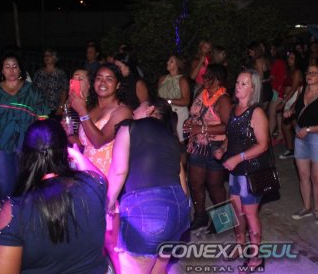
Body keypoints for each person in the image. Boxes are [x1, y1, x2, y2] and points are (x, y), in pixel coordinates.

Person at [0, 119, 108, 274]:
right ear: (64, 152)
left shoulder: (15, 210)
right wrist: (75, 154)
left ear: (24, 156)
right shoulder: (94, 185)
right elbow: (102, 178)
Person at [107, 98, 189, 274]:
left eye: (138, 107)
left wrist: (108, 204)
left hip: (147, 213)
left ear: (150, 110)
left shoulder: (129, 127)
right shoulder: (171, 138)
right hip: (178, 212)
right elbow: (184, 188)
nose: (133, 111)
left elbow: (119, 171)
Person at [69, 62, 132, 274]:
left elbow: (99, 140)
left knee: (108, 239)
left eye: (109, 79)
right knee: (85, 232)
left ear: (118, 85)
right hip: (84, 176)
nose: (102, 83)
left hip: (107, 178)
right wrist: (69, 134)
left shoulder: (122, 111)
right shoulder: (91, 108)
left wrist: (81, 112)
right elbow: (85, 142)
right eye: (99, 78)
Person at [213, 69, 269, 271]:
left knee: (250, 214)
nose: (238, 86)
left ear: (253, 88)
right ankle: (240, 244)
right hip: (235, 172)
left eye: (244, 83)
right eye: (237, 82)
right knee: (237, 212)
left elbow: (263, 145)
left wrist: (237, 158)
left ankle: (256, 257)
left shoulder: (256, 112)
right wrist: (222, 148)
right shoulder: (234, 109)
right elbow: (232, 136)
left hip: (251, 172)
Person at [0, 53, 48, 202]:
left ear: (20, 69)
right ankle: (7, 213)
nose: (11, 70)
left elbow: (43, 115)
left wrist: (42, 136)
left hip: (26, 143)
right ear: (2, 70)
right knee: (4, 185)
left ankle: (22, 214)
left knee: (23, 185)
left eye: (15, 66)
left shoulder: (32, 90)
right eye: (7, 67)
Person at [285, 63, 318, 226]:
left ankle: (317, 209)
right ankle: (306, 207)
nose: (309, 75)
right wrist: (291, 111)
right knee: (303, 175)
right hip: (301, 135)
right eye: (308, 72)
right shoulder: (302, 90)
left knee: (317, 177)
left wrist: (308, 129)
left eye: (314, 73)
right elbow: (297, 107)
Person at [184, 63, 231, 231]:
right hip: (197, 144)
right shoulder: (201, 93)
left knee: (214, 185)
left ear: (218, 80)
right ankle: (200, 216)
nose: (204, 79)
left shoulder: (223, 99)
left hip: (215, 146)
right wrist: (190, 123)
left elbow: (228, 126)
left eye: (208, 77)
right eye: (204, 76)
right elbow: (194, 113)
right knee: (195, 183)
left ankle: (223, 221)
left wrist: (202, 129)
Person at [157, 54, 191, 144]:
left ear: (177, 65)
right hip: (165, 112)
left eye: (171, 61)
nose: (167, 62)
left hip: (179, 112)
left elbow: (186, 101)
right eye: (168, 60)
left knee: (179, 141)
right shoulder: (162, 79)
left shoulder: (182, 80)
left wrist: (169, 101)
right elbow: (159, 97)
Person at [279, 51, 304, 160]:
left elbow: (294, 88)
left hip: (294, 98)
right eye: (289, 57)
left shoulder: (297, 72)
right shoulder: (289, 71)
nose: (289, 60)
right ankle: (292, 149)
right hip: (289, 97)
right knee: (287, 125)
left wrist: (283, 102)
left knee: (293, 124)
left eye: (292, 58)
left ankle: (300, 149)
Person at [32, 49, 68, 120]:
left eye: (49, 55)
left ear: (55, 58)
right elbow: (33, 90)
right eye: (45, 55)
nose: (46, 57)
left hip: (55, 109)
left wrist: (61, 107)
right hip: (41, 108)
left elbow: (64, 91)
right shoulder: (38, 73)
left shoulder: (61, 74)